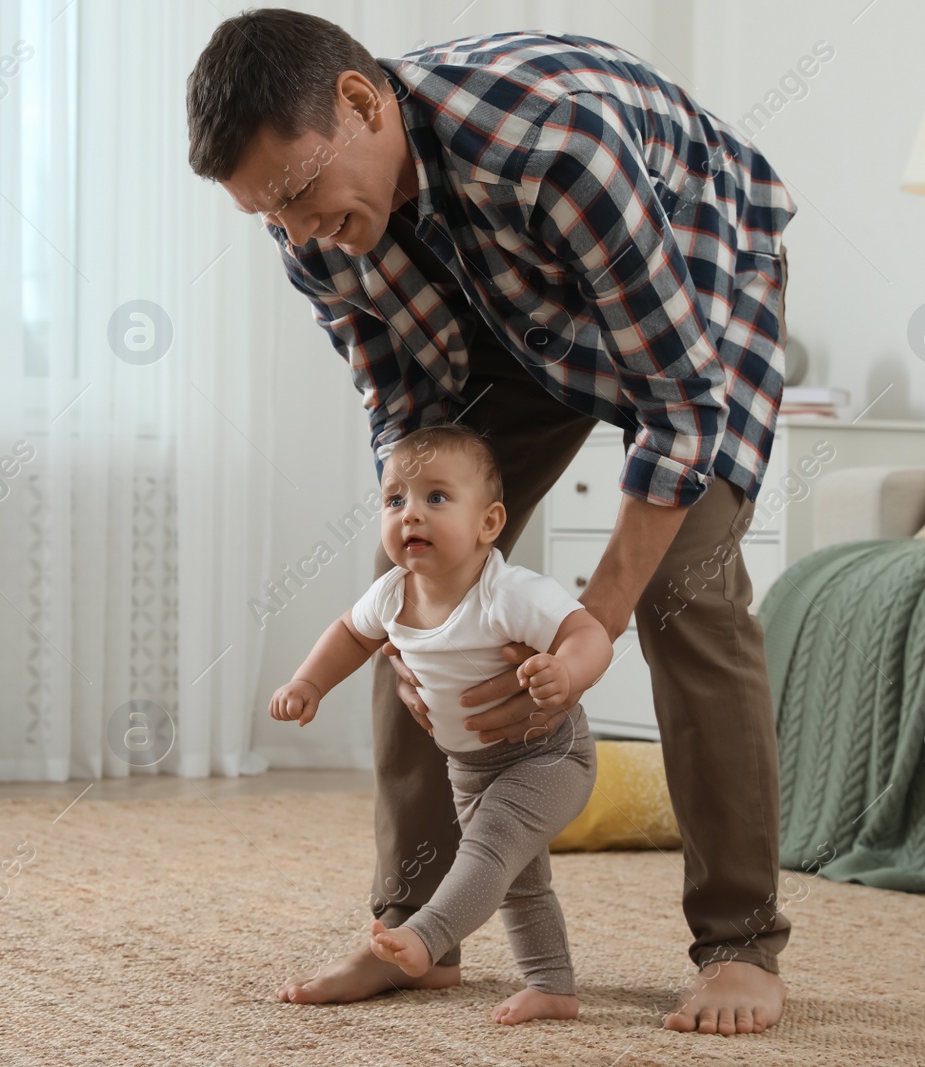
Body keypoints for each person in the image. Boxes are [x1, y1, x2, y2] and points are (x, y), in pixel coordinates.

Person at [188, 10, 794, 1036]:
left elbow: (681, 405)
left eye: (296, 195)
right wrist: (434, 591)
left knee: (686, 603)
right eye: (267, 216)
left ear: (359, 102)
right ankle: (413, 931)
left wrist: (591, 621)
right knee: (414, 585)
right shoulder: (315, 232)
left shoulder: (559, 145)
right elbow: (403, 416)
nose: (294, 236)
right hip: (506, 320)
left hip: (690, 290)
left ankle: (739, 942)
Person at [269, 422, 612, 1025]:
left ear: (489, 524)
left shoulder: (509, 593)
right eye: (395, 500)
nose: (411, 515)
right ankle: (552, 985)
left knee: (485, 851)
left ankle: (425, 938)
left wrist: (568, 671)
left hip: (549, 755)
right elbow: (351, 634)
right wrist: (309, 682)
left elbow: (587, 632)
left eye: (436, 498)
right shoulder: (392, 592)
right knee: (519, 880)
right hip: (470, 767)